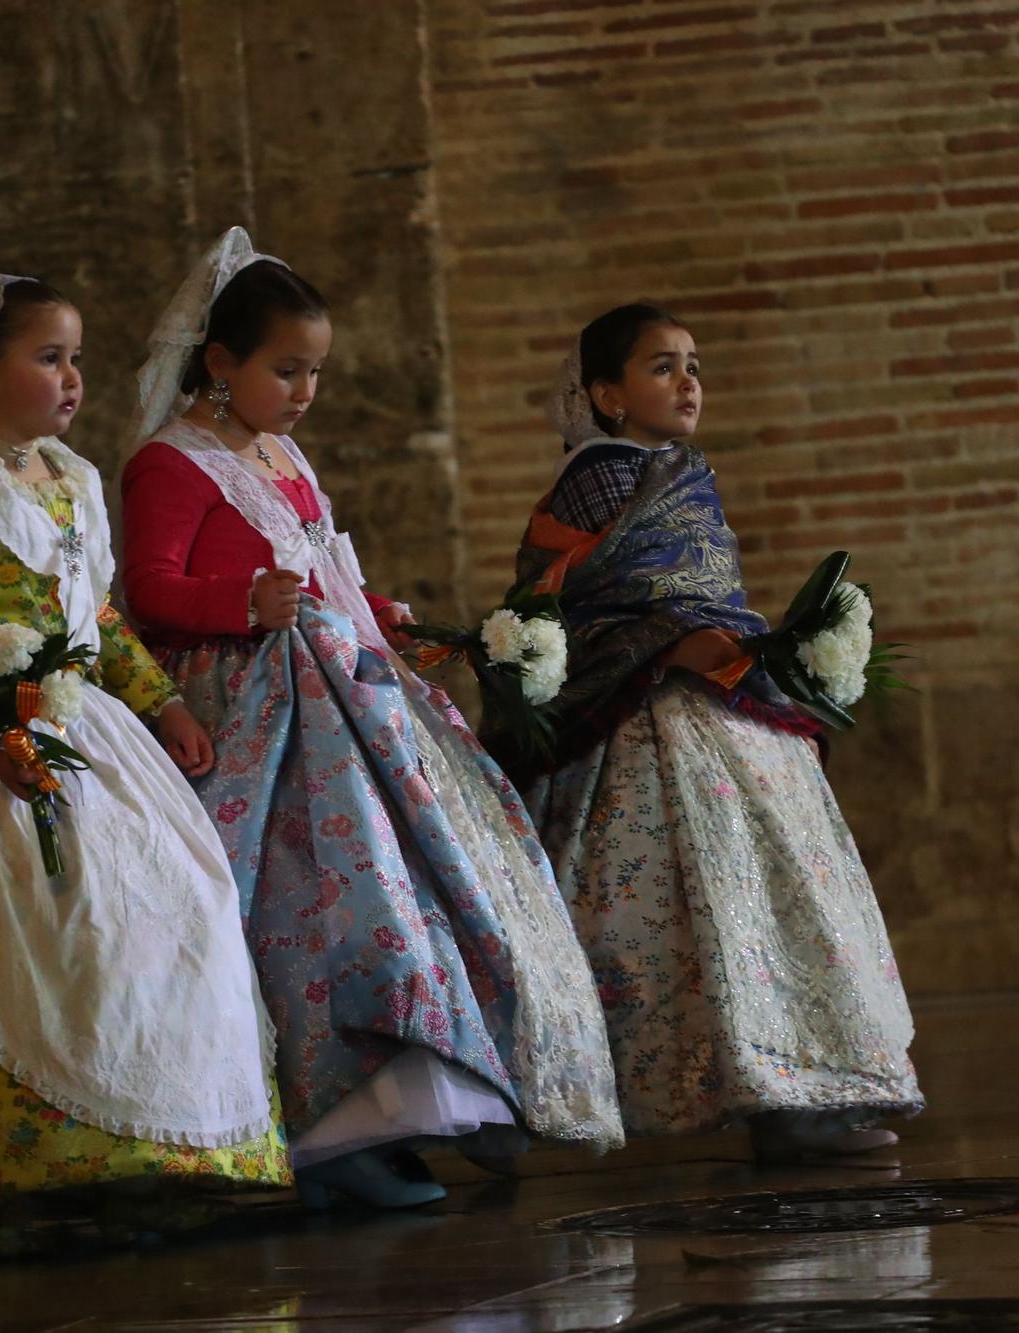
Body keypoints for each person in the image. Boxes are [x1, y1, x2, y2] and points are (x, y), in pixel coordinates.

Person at [121, 227, 623, 1209]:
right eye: (285, 369)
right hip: (260, 718)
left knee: (434, 879)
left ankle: (446, 1099)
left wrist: (374, 609)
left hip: (348, 692)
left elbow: (319, 560)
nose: (303, 390)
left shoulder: (283, 454)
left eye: (314, 371)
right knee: (327, 909)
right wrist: (239, 601)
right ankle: (331, 1130)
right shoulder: (167, 463)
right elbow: (147, 590)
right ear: (218, 360)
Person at [0, 253, 290, 1263]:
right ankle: (15, 1172)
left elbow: (94, 614)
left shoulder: (77, 479)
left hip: (78, 715)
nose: (71, 378)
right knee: (49, 915)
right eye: (47, 357)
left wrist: (162, 698)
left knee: (181, 899)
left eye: (76, 358)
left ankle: (157, 1158)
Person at [504, 302, 922, 1162]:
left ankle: (807, 1081)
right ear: (607, 394)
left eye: (694, 364)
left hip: (726, 703)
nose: (688, 381)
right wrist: (667, 645)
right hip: (647, 720)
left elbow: (699, 590)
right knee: (692, 905)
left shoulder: (683, 469)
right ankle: (736, 1089)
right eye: (663, 366)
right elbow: (562, 608)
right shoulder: (594, 478)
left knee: (774, 891)